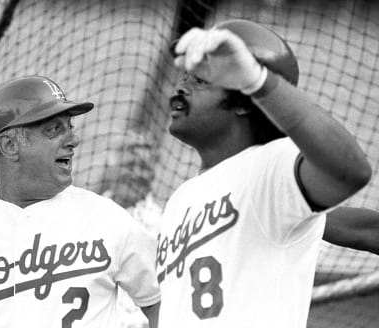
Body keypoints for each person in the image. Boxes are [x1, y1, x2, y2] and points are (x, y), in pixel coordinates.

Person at [155, 19, 372, 328]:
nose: (180, 88)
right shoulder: (181, 199)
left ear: (244, 102)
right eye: (186, 76)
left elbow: (351, 172)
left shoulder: (272, 164)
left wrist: (259, 82)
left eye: (200, 81)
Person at [0, 76, 160, 328]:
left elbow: (164, 302)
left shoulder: (108, 219)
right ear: (10, 145)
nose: (73, 140)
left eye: (70, 127)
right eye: (54, 129)